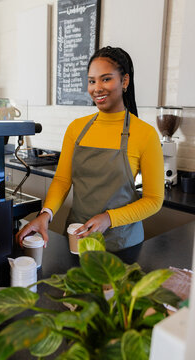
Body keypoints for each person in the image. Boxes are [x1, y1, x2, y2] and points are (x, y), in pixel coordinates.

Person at [16, 46, 164, 252]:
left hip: (122, 243)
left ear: (125, 81)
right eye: (92, 81)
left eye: (106, 79)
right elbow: (62, 180)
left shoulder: (145, 134)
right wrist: (45, 214)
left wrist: (109, 219)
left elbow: (154, 200)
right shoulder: (77, 128)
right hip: (78, 237)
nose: (97, 88)